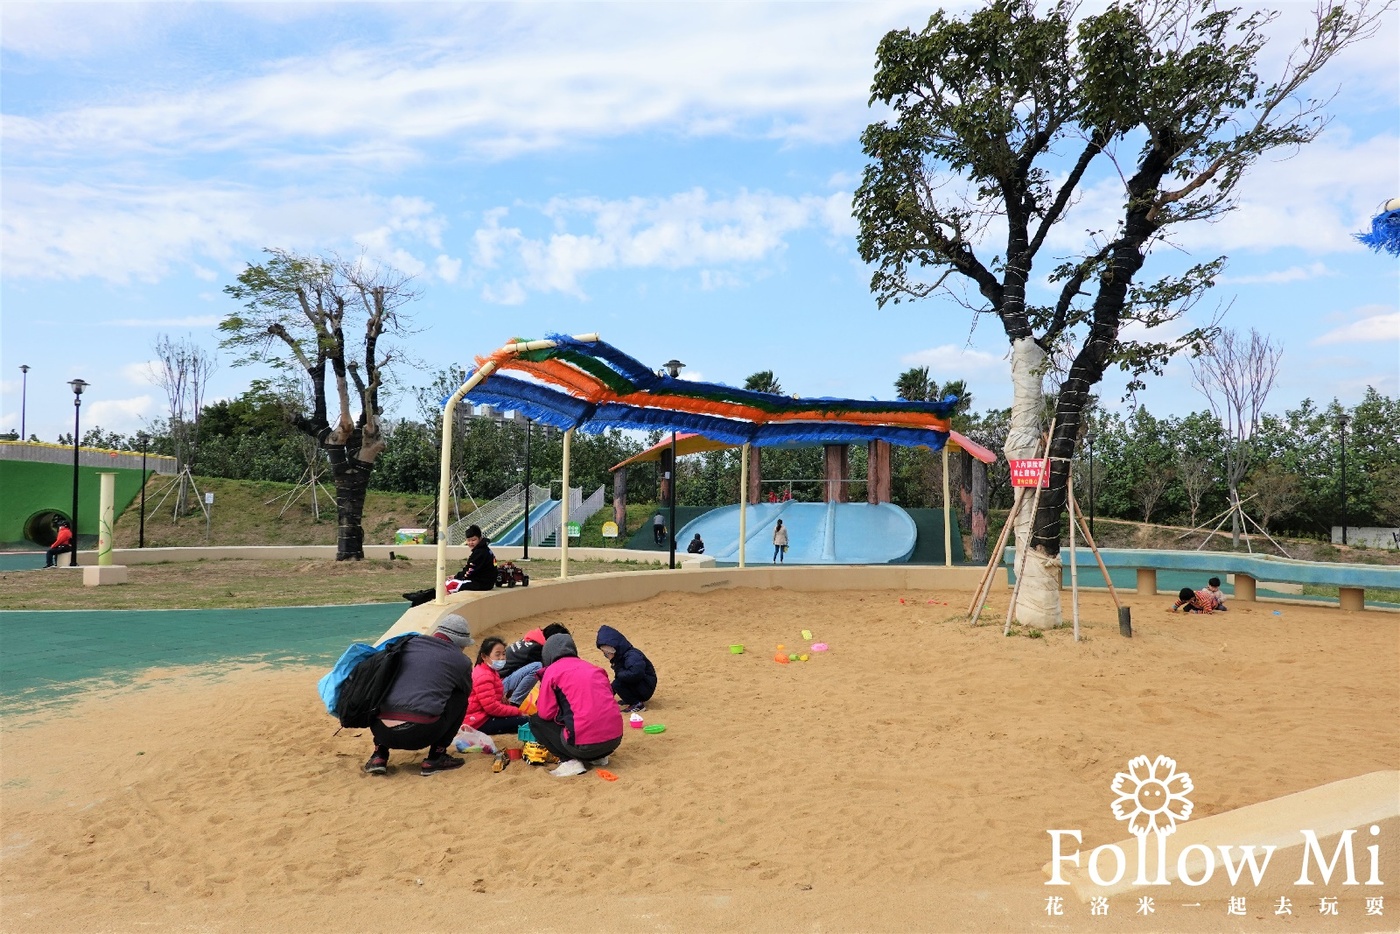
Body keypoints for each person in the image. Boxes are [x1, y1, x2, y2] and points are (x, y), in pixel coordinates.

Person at [364, 614, 475, 776]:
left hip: (381, 730)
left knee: (390, 688)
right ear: (460, 643)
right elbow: (466, 689)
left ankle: (379, 754)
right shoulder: (461, 660)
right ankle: (436, 756)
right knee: (459, 697)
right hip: (420, 733)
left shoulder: (406, 645)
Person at [529, 633, 624, 777]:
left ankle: (569, 762)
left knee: (536, 721)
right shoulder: (594, 668)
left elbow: (545, 713)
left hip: (585, 746)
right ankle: (598, 758)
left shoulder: (552, 671)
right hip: (613, 741)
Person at [464, 637, 530, 736]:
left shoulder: (488, 671)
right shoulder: (484, 676)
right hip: (478, 721)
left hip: (481, 716)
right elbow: (492, 708)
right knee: (526, 722)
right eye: (497, 654)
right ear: (484, 656)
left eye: (503, 654)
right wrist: (516, 711)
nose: (502, 658)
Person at [498, 622, 571, 703]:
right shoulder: (537, 649)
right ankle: (514, 703)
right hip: (498, 686)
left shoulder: (531, 640)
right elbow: (547, 678)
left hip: (498, 681)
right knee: (538, 667)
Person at [596, 624, 657, 712]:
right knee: (618, 683)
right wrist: (609, 693)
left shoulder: (632, 655)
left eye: (607, 653)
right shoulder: (620, 657)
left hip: (645, 687)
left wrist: (620, 675)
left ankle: (637, 704)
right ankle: (631, 699)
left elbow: (636, 673)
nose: (606, 655)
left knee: (619, 683)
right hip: (641, 684)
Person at [449, 524, 496, 592]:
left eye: (473, 540)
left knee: (449, 585)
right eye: (468, 540)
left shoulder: (480, 553)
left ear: (480, 538)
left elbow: (469, 572)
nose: (471, 543)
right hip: (487, 583)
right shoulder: (485, 549)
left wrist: (456, 577)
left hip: (481, 584)